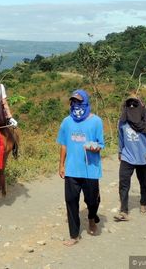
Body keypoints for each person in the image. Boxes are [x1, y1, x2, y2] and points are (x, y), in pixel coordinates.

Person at [57, 89, 105, 246]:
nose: (76, 105)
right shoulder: (66, 122)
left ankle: (92, 217)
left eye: (79, 102)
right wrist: (61, 165)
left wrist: (95, 147)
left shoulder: (96, 121)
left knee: (92, 200)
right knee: (70, 201)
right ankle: (74, 235)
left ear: (85, 102)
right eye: (73, 102)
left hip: (90, 170)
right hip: (71, 169)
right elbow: (63, 144)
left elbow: (101, 144)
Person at [114, 96, 146, 221]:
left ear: (140, 107)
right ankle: (123, 210)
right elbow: (121, 137)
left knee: (144, 183)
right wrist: (120, 151)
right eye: (129, 105)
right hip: (127, 157)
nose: (132, 107)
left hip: (144, 158)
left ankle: (143, 204)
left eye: (135, 104)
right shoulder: (122, 122)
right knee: (123, 183)